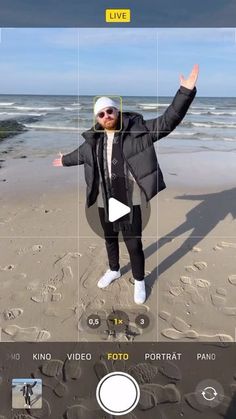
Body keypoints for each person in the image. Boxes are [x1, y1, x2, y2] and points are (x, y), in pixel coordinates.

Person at [53, 64, 199, 304]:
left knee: (133, 243)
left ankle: (139, 281)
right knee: (109, 238)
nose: (106, 116)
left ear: (117, 111)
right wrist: (63, 160)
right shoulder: (93, 141)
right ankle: (114, 269)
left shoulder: (139, 131)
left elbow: (169, 120)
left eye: (109, 111)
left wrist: (185, 92)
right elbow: (79, 155)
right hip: (103, 197)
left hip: (130, 198)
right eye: (101, 114)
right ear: (97, 119)